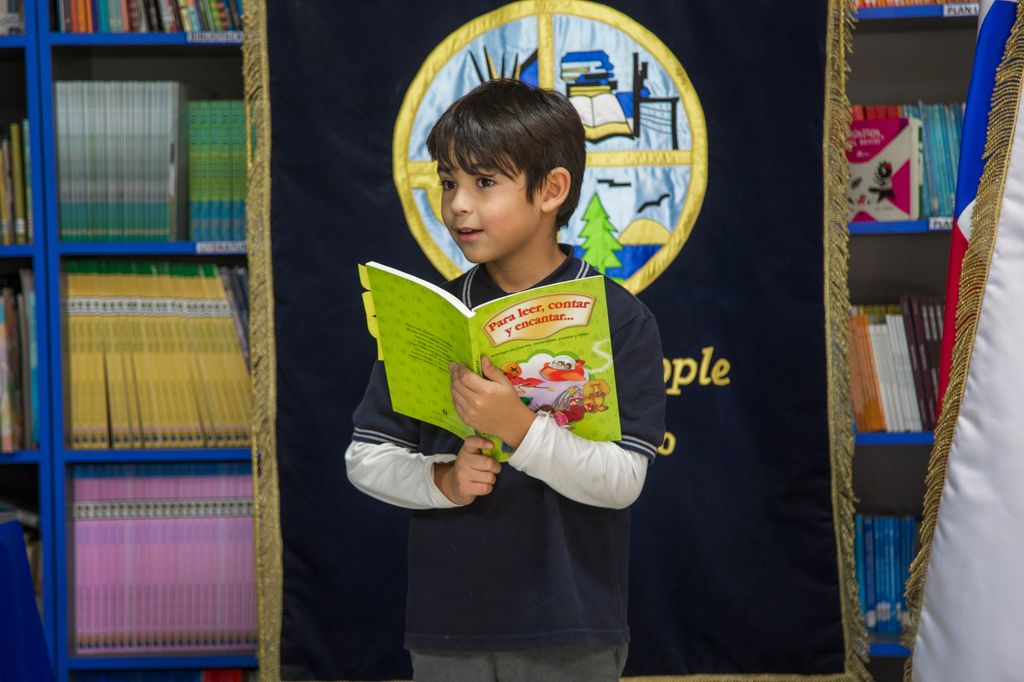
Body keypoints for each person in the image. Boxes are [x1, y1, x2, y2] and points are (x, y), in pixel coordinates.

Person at [346, 78, 665, 682]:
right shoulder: (426, 315)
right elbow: (365, 458)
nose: (458, 204)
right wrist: (442, 479)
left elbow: (623, 480)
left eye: (484, 183)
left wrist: (518, 428)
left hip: (572, 630)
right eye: (448, 183)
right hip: (451, 631)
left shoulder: (619, 318)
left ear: (552, 189)